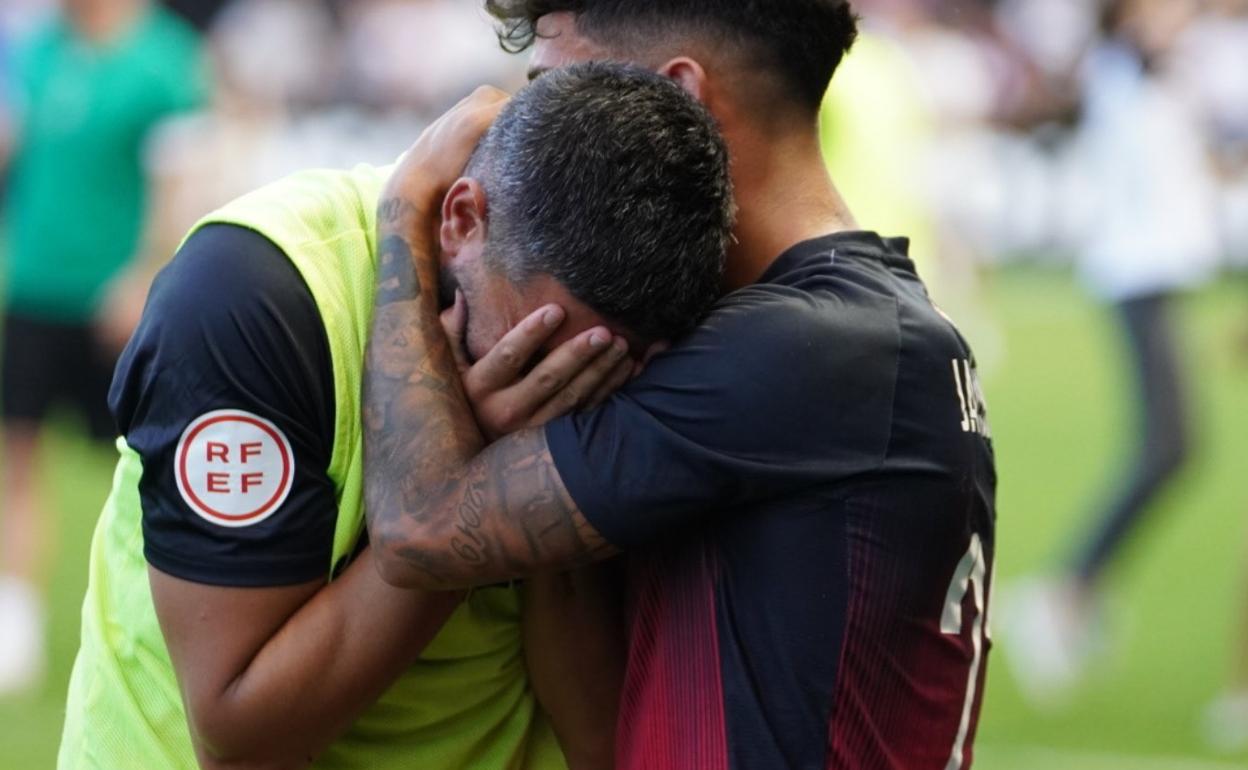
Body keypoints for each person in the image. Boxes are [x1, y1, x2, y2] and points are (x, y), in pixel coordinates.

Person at [362, 2, 998, 768]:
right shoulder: (827, 333)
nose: (515, 126)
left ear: (679, 99)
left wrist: (405, 210)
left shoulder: (803, 351)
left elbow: (418, 528)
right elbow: (606, 737)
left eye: (547, 88)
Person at [58, 63, 734, 769]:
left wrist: (529, 476)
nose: (554, 379)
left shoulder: (654, 328)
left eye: (592, 374)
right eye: (532, 337)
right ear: (462, 221)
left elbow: (595, 734)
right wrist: (472, 474)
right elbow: (240, 740)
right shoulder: (257, 298)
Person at [1003, 0, 1218, 706]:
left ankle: (1071, 594)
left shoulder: (1153, 71)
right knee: (1168, 447)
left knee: (1174, 448)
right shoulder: (1125, 66)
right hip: (1138, 274)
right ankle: (1062, 594)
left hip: (1156, 274)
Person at [0, 0, 205, 695]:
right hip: (35, 284)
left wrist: (146, 271)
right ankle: (16, 629)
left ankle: (155, 629)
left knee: (146, 469)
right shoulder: (40, 50)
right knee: (18, 455)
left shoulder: (164, 60)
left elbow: (180, 182)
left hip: (116, 301)